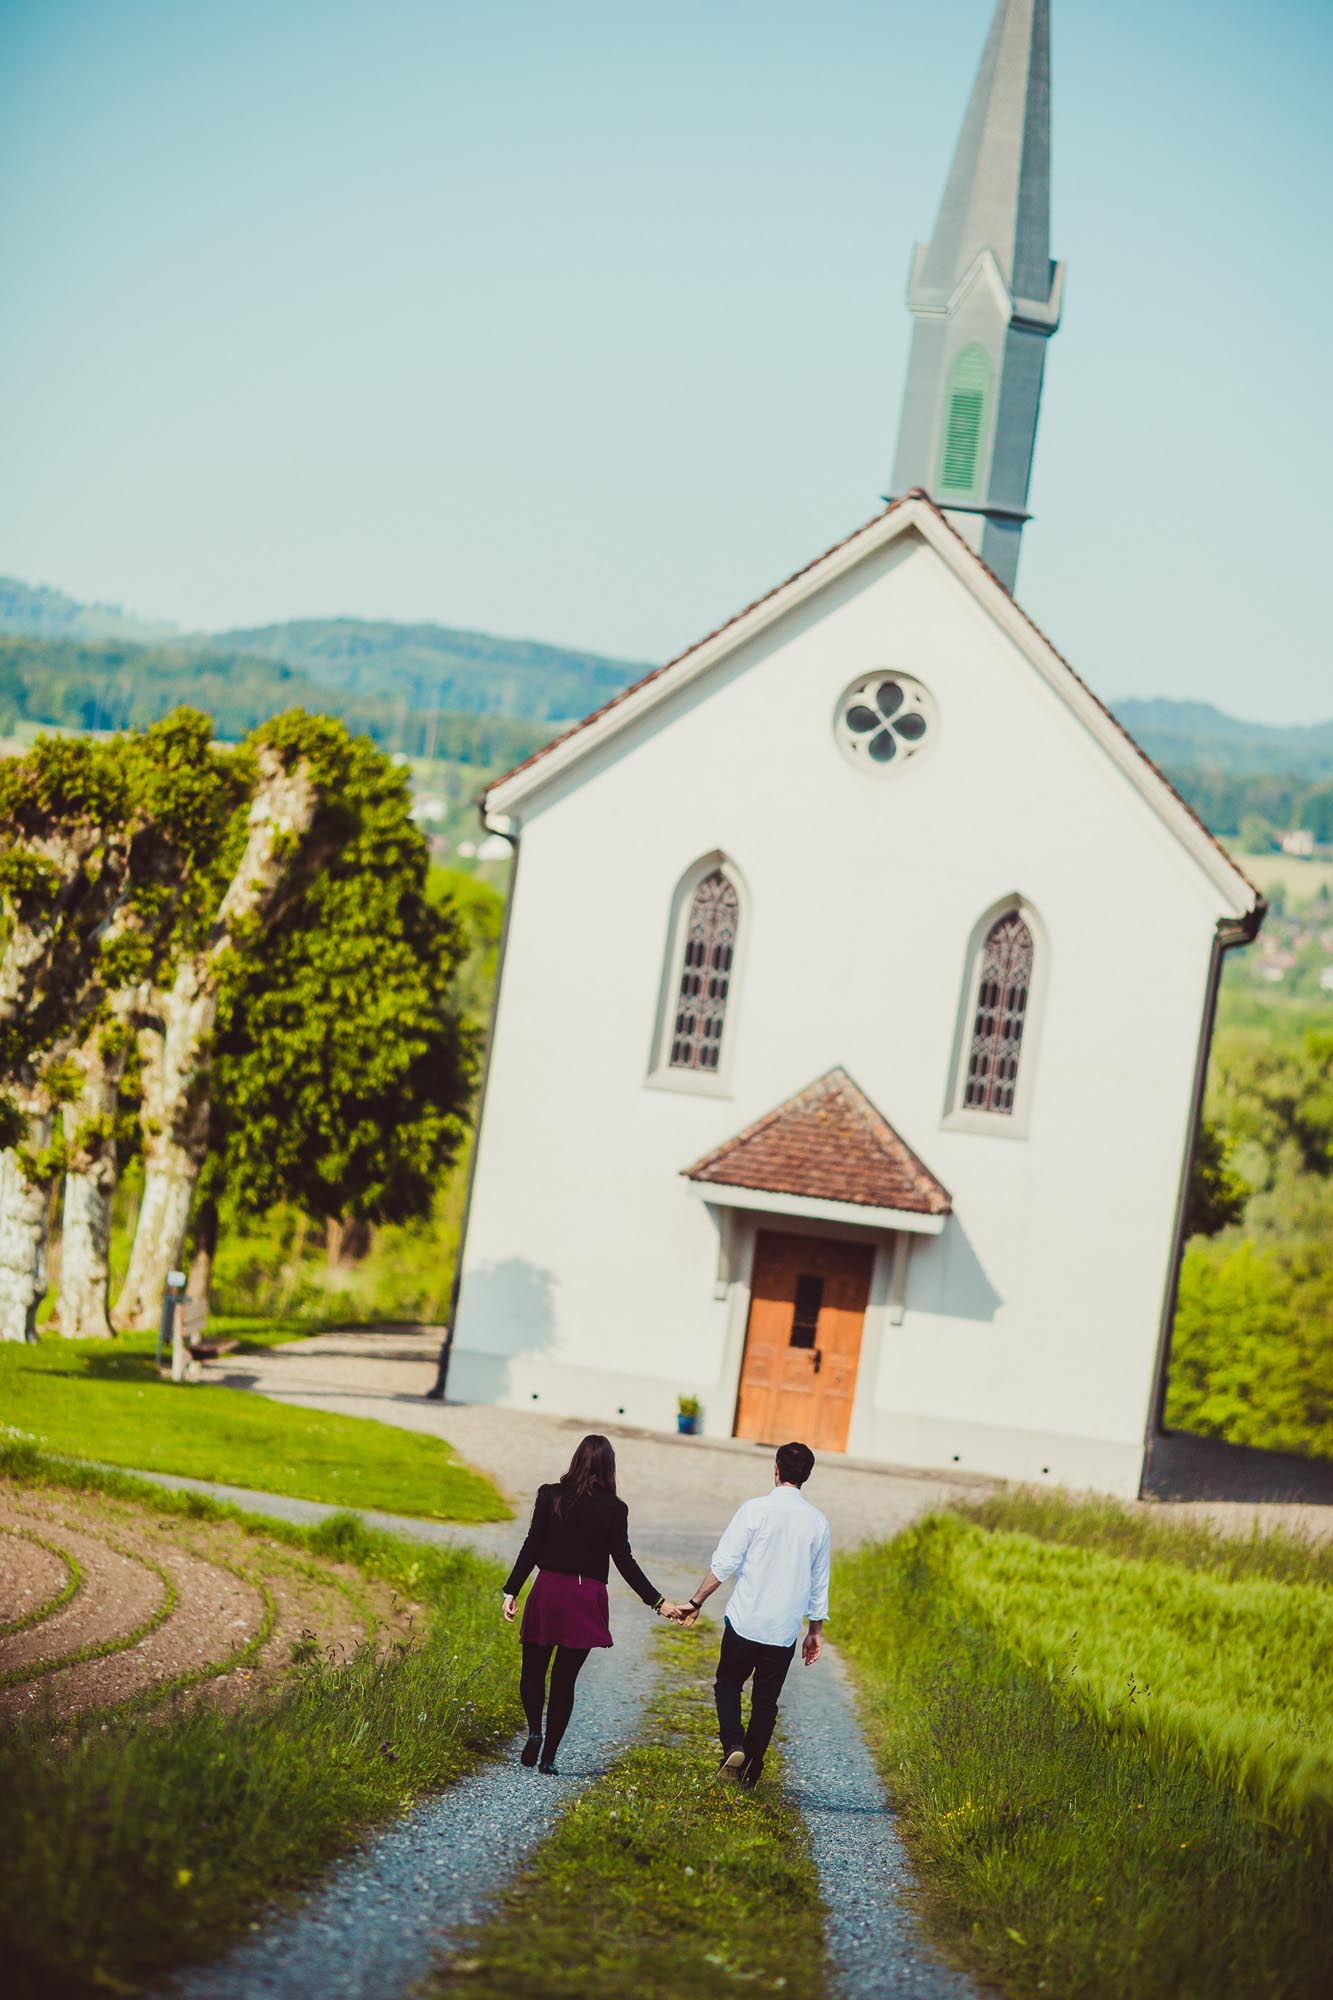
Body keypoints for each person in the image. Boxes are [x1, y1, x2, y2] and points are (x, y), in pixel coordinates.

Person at [502, 1433, 681, 1774]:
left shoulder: (549, 1495)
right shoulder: (615, 1509)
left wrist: (511, 1590)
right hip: (586, 1596)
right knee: (564, 1681)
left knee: (533, 1671)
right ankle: (550, 1757)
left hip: (548, 1591)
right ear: (609, 1466)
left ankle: (535, 1732)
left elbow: (532, 1545)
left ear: (576, 1460)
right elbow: (624, 1560)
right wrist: (657, 1602)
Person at [677, 1440, 829, 1787]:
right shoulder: (818, 1523)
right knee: (766, 1701)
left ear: (775, 1469)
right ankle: (752, 1771)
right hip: (783, 1630)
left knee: (728, 1685)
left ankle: (733, 1744)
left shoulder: (754, 1510)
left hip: (744, 1622)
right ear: (807, 1476)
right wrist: (815, 1630)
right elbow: (819, 1582)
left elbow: (725, 1563)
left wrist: (697, 1601)